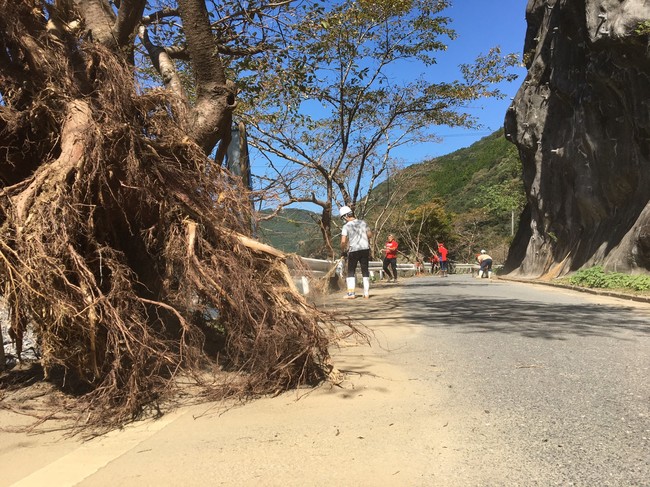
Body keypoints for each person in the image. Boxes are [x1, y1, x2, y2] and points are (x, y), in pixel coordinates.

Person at [340, 205, 372, 299]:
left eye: (343, 218)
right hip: (365, 249)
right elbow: (369, 235)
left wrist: (343, 250)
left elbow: (343, 241)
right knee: (365, 270)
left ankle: (351, 294)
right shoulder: (363, 222)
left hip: (354, 250)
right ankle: (366, 293)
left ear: (346, 216)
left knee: (351, 271)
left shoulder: (346, 226)